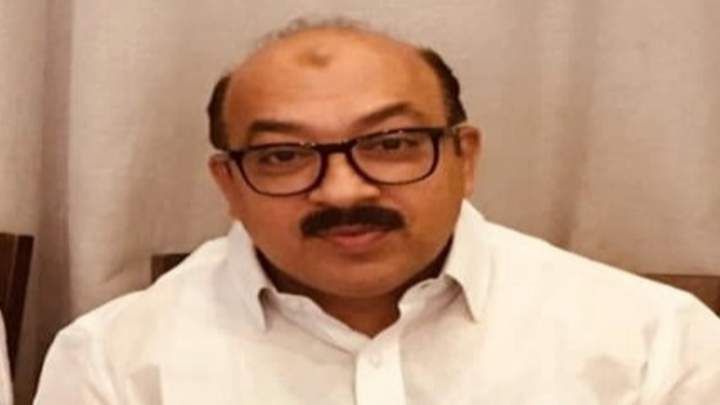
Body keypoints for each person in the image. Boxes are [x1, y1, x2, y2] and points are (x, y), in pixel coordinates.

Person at [35, 18, 720, 404]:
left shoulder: (655, 342)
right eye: (283, 155)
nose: (342, 191)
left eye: (391, 144)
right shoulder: (111, 362)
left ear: (465, 157)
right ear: (230, 185)